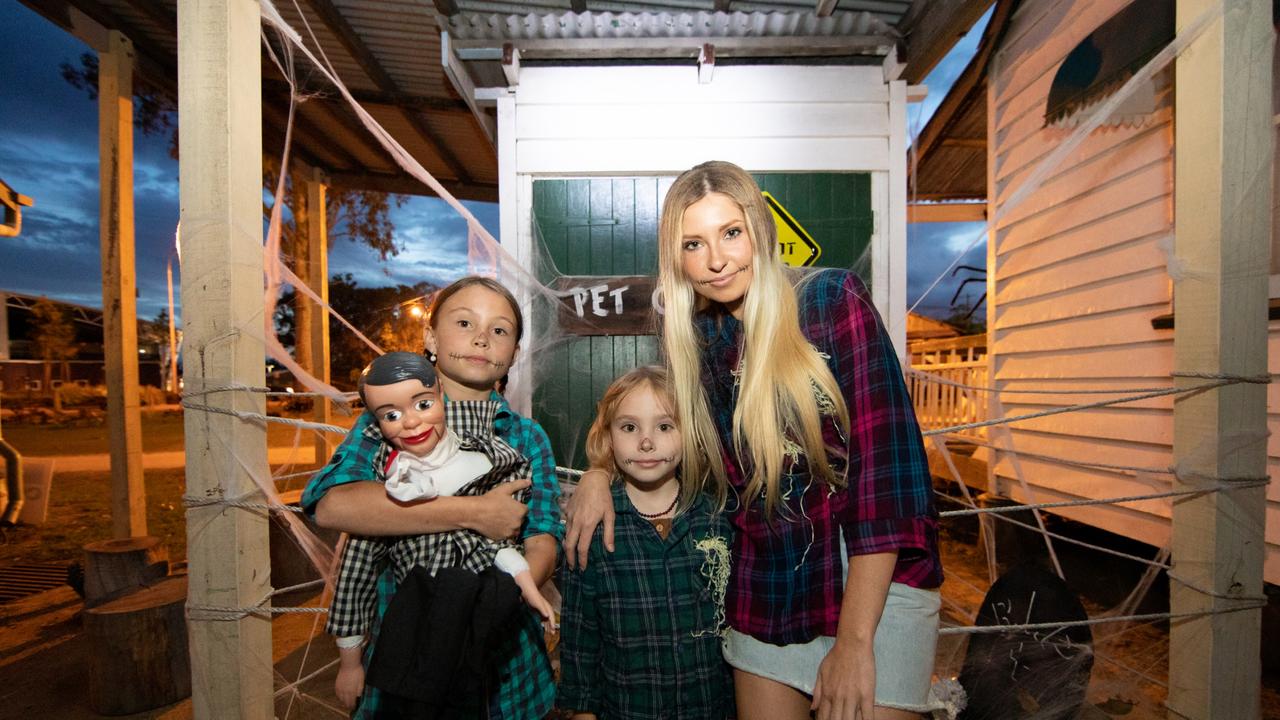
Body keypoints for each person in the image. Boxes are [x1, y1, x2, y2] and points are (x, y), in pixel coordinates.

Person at [564, 161, 943, 720]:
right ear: (677, 258)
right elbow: (671, 447)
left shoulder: (830, 300)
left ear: (760, 232)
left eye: (730, 233)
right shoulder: (702, 343)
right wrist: (599, 473)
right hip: (769, 584)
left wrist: (856, 642)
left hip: (868, 582)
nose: (715, 260)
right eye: (694, 243)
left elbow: (888, 480)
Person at [302, 276, 560, 720]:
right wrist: (474, 513)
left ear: (513, 353)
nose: (482, 337)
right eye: (464, 323)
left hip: (510, 669)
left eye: (500, 330)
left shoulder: (524, 435)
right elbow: (332, 504)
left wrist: (493, 601)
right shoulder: (386, 424)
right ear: (430, 338)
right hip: (408, 662)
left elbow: (543, 537)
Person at [557, 366, 734, 720]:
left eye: (665, 426)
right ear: (609, 436)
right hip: (627, 709)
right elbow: (580, 639)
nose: (647, 442)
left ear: (691, 434)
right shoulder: (592, 528)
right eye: (629, 427)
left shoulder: (719, 518)